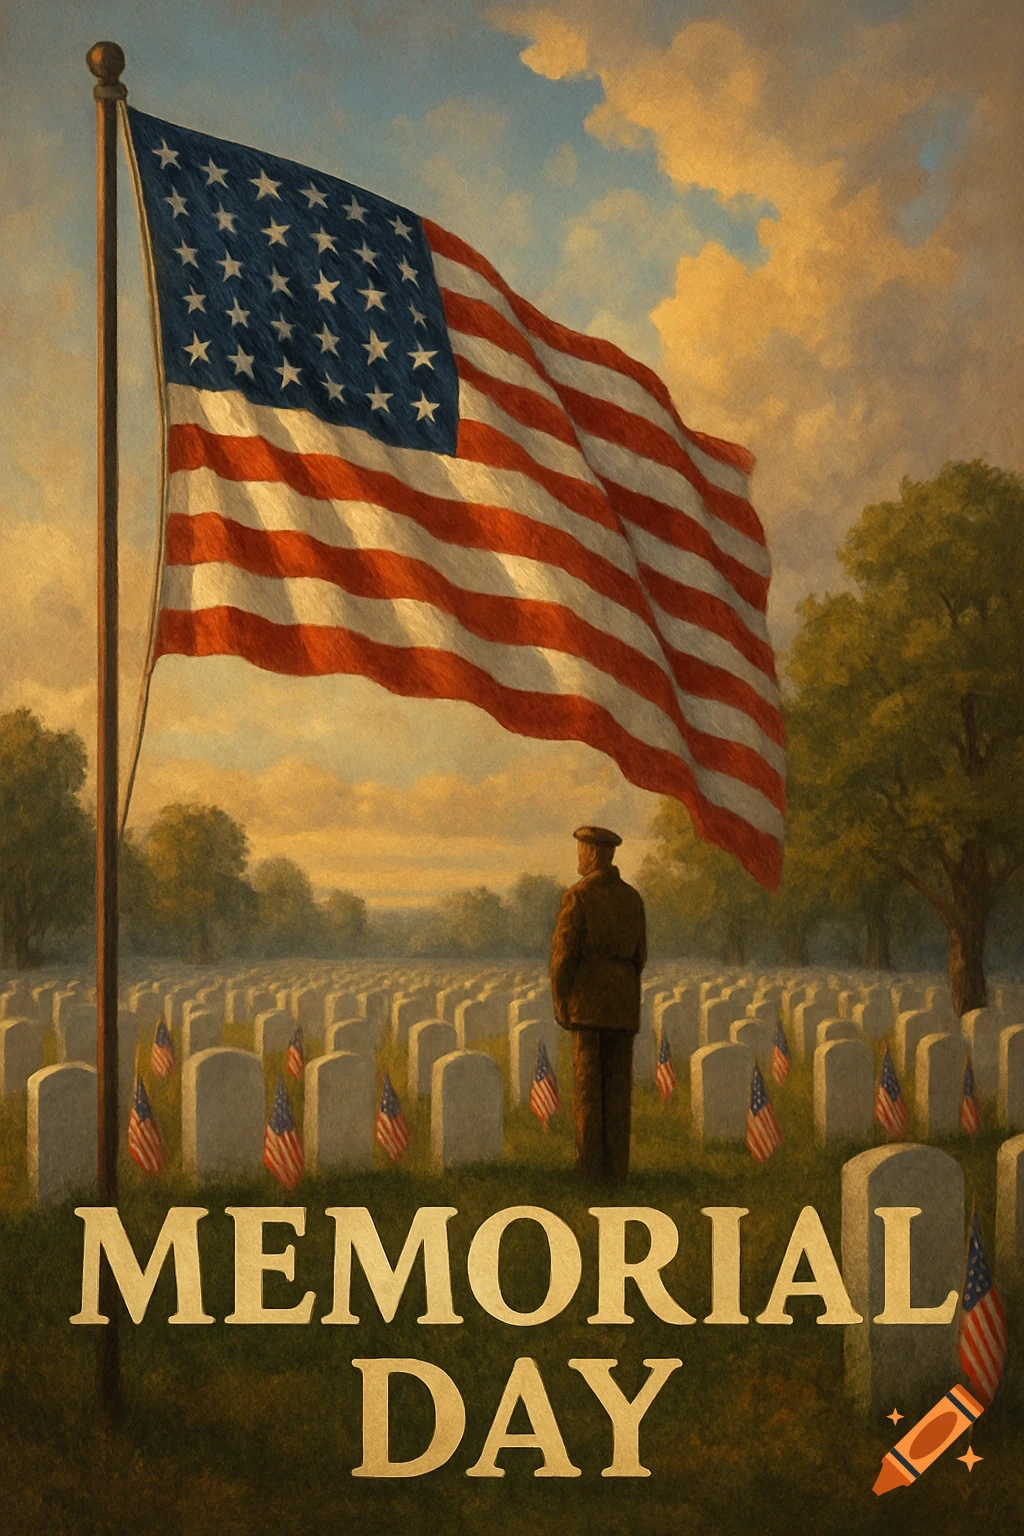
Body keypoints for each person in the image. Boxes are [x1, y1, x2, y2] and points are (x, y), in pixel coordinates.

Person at [549, 825, 647, 1182]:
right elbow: (640, 956)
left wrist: (561, 998)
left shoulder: (578, 897)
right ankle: (617, 1171)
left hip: (588, 1005)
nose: (578, 857)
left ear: (593, 854)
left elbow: (562, 956)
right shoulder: (632, 898)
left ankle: (591, 1171)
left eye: (581, 850)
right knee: (618, 1092)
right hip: (622, 1005)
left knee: (589, 1091)